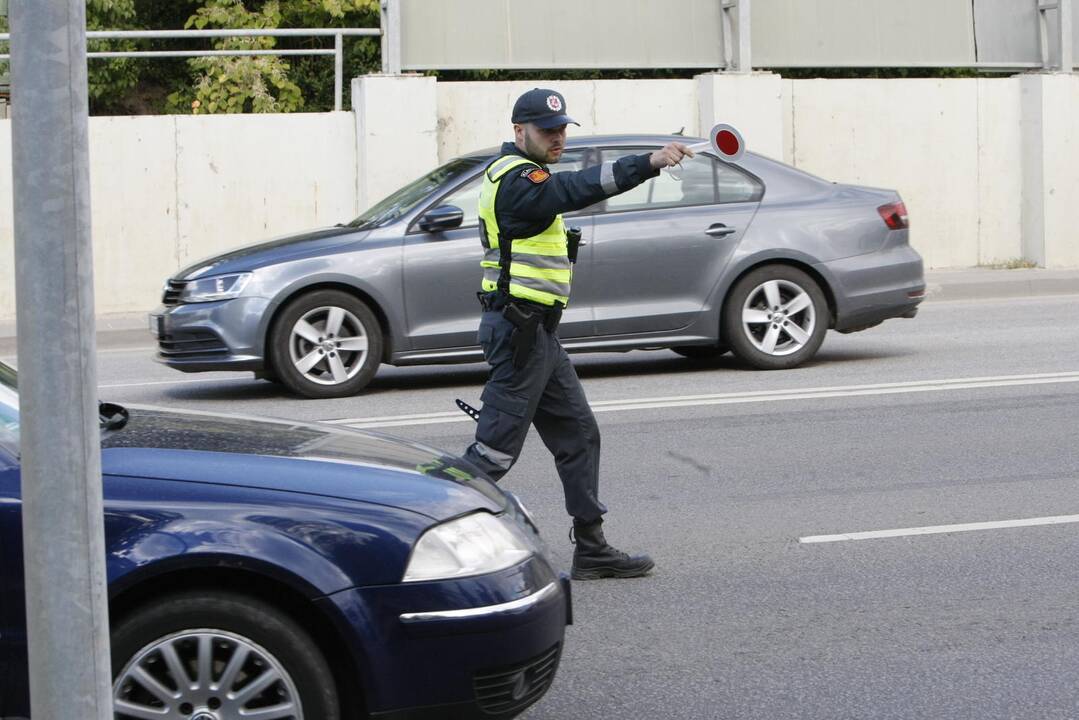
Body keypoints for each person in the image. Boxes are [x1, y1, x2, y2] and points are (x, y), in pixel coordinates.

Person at [463, 88, 693, 580]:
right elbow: (576, 189)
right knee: (493, 454)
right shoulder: (517, 181)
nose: (558, 138)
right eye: (548, 131)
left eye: (563, 129)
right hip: (518, 334)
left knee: (579, 434)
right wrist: (649, 162)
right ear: (518, 131)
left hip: (538, 335)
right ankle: (422, 535)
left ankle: (591, 547)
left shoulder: (530, 175)